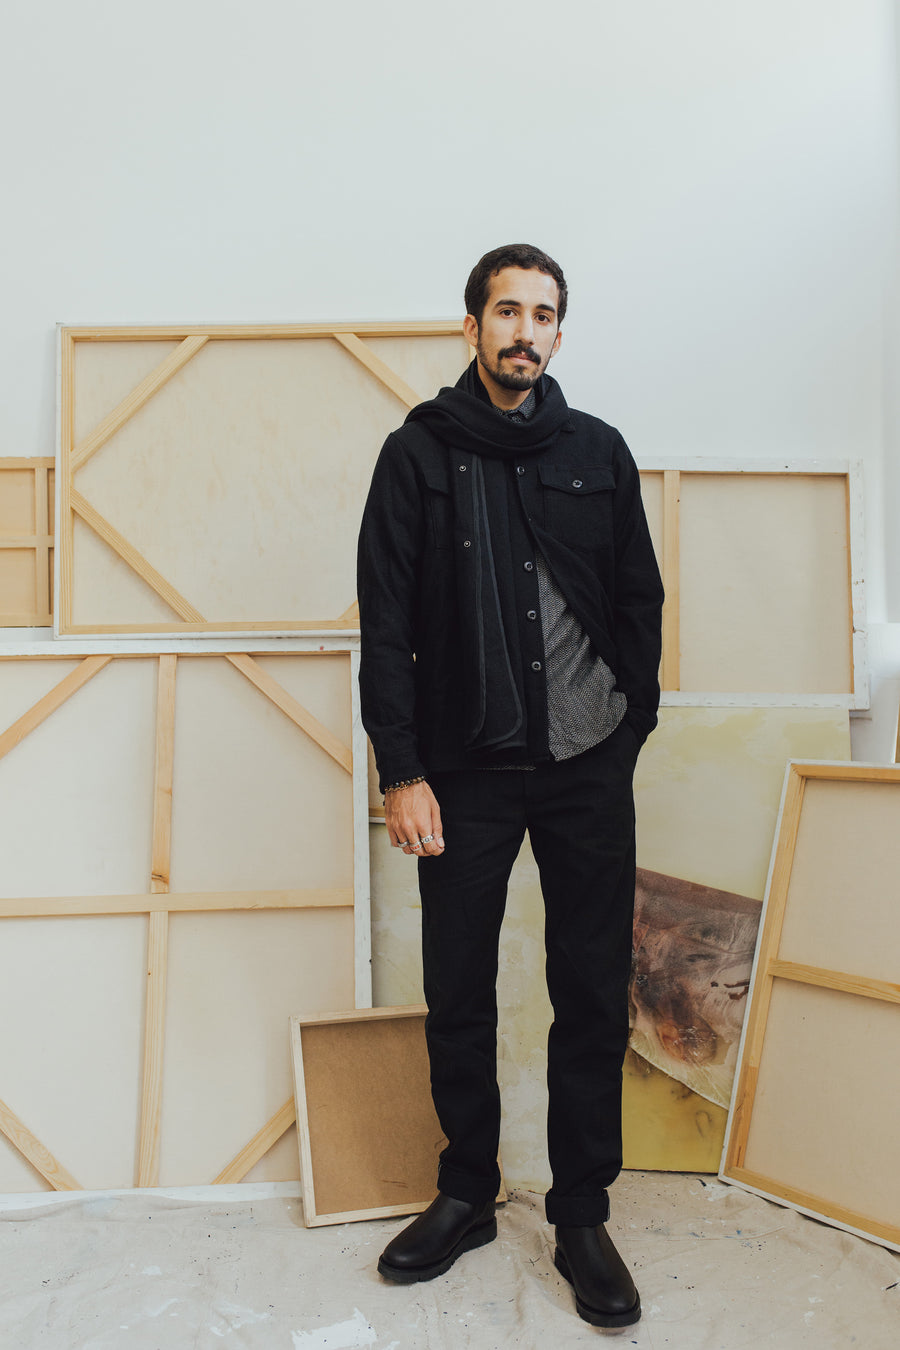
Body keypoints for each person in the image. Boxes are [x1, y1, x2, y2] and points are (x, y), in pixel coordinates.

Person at [357, 244, 663, 1329]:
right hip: (465, 772)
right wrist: (404, 770)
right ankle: (466, 1193)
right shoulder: (418, 456)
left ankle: (581, 1213)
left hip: (587, 768)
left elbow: (639, 600)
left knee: (588, 990)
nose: (524, 331)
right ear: (474, 326)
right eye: (506, 311)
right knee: (460, 992)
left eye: (543, 314)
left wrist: (627, 734)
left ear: (560, 334)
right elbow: (385, 625)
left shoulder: (600, 452)